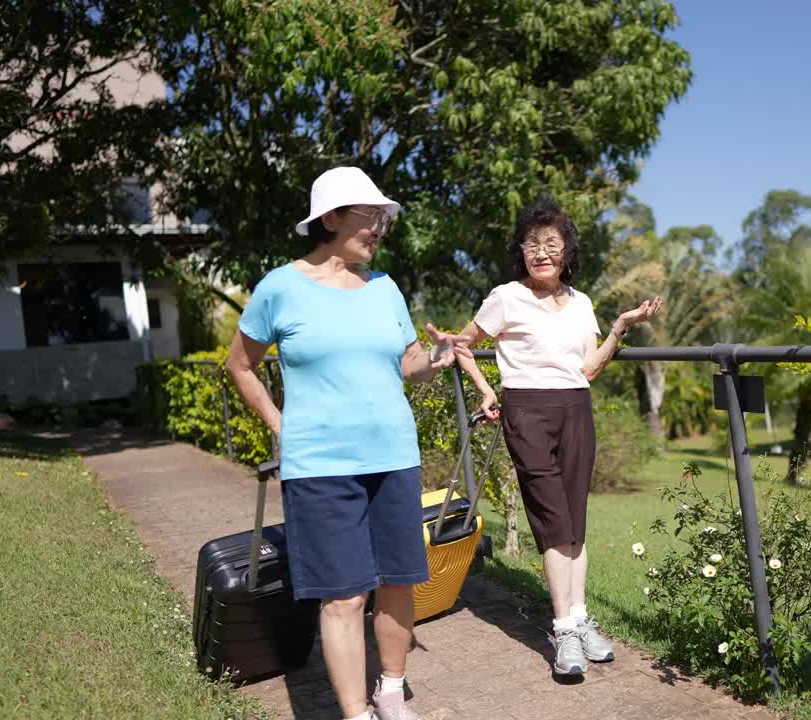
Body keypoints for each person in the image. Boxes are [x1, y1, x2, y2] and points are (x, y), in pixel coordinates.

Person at [226, 166, 467, 720]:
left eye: (383, 218)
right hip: (320, 466)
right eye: (371, 215)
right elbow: (240, 366)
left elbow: (408, 363)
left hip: (393, 457)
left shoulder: (384, 288)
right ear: (331, 218)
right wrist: (277, 421)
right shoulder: (279, 289)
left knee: (399, 582)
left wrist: (436, 357)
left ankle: (391, 690)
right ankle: (355, 712)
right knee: (343, 595)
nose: (380, 227)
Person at [454, 195, 662, 676]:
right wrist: (487, 391)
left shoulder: (582, 303)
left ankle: (581, 618)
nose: (541, 252)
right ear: (521, 253)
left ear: (568, 252)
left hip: (575, 409)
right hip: (526, 411)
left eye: (551, 243)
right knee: (552, 521)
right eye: (531, 245)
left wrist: (621, 326)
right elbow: (463, 345)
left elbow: (588, 367)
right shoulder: (506, 297)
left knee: (574, 518)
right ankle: (564, 630)